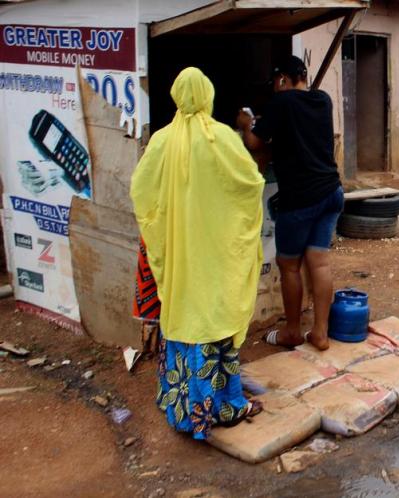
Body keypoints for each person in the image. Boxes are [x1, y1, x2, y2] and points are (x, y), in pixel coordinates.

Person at [130, 67, 266, 439]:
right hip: (214, 255)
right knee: (214, 317)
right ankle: (224, 405)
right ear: (207, 95)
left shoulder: (161, 141)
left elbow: (140, 191)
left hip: (180, 257)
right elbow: (251, 184)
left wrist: (165, 225)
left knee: (184, 313)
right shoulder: (221, 138)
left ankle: (180, 406)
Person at [237, 55, 343, 351]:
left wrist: (247, 124)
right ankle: (320, 333)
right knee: (319, 262)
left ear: (283, 78)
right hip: (331, 192)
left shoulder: (281, 103)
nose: (274, 87)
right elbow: (297, 135)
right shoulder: (323, 100)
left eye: (275, 81)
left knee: (289, 266)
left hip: (300, 199)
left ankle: (293, 332)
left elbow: (255, 143)